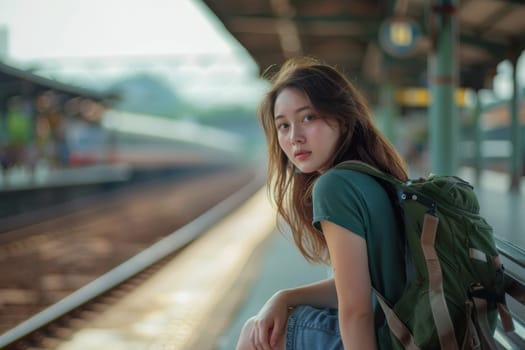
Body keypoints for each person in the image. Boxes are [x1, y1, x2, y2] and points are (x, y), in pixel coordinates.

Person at [235, 57, 409, 350]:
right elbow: (360, 285)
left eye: (308, 118)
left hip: (391, 338)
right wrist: (284, 297)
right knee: (264, 323)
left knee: (257, 334)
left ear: (341, 119)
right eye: (283, 126)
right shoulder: (369, 175)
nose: (295, 138)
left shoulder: (334, 186)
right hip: (404, 327)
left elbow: (356, 311)